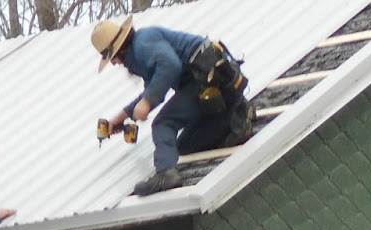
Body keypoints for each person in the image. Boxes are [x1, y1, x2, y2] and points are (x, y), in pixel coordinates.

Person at [92, 16, 255, 196]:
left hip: (205, 79)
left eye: (112, 58)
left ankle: (166, 174)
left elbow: (170, 65)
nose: (114, 63)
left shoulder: (142, 43)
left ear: (119, 50)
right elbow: (152, 90)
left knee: (163, 124)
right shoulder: (139, 51)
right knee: (183, 146)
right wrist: (119, 119)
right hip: (208, 84)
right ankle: (235, 121)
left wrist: (147, 102)